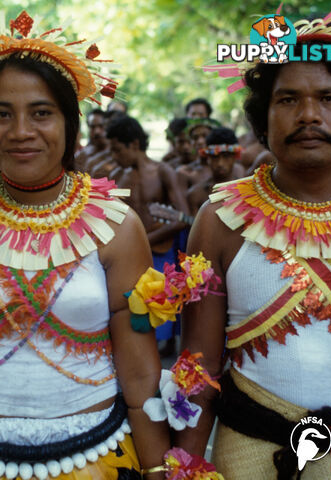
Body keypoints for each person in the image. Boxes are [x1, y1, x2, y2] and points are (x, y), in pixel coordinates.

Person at [0, 11, 169, 480]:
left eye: (41, 112)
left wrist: (160, 470)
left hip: (97, 460)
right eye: (1, 114)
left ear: (69, 122)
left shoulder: (116, 226)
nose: (19, 132)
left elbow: (139, 377)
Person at [177, 11, 331, 480]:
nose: (309, 114)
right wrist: (183, 468)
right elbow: (199, 367)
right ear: (262, 118)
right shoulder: (219, 221)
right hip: (245, 456)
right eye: (288, 99)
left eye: (329, 97)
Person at [107, 115, 190, 355]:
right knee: (135, 308)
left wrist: (148, 239)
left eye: (117, 150)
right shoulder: (121, 178)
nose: (114, 156)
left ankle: (168, 349)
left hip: (161, 250)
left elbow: (182, 216)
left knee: (163, 304)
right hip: (132, 255)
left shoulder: (162, 171)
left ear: (134, 144)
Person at [187, 127, 244, 215]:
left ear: (235, 157)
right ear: (207, 158)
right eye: (214, 157)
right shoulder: (196, 195)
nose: (220, 163)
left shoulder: (248, 191)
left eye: (226, 156)